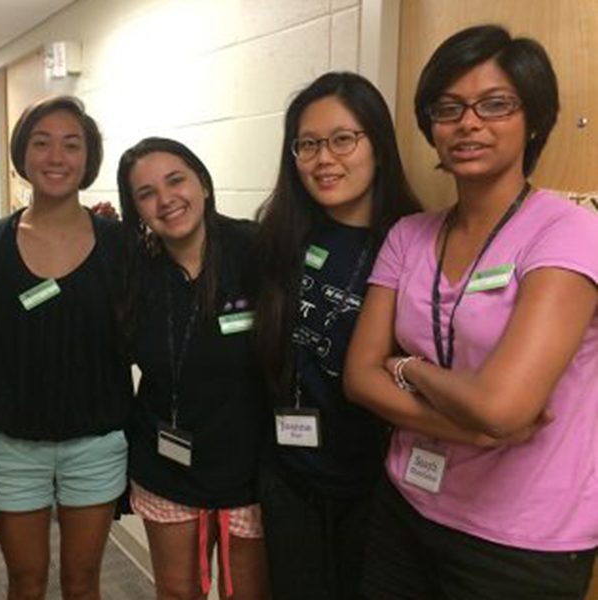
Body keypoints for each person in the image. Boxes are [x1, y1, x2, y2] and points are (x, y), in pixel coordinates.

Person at [343, 25, 598, 599]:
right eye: (448, 108)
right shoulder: (409, 235)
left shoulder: (570, 233)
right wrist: (474, 429)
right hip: (407, 506)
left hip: (523, 539)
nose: (468, 123)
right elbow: (360, 377)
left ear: (534, 119)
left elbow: (504, 409)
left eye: (495, 104)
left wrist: (410, 369)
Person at [251, 72, 419, 599]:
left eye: (343, 139)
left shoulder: (412, 242)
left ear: (378, 143)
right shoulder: (278, 235)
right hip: (288, 475)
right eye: (308, 144)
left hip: (376, 483)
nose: (325, 159)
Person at [0, 95, 131, 600]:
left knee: (83, 583)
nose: (56, 157)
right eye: (42, 143)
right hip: (13, 445)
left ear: (88, 158)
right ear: (23, 154)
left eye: (71, 144)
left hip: (95, 444)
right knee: (26, 581)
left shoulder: (122, 242)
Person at [117, 137, 270, 600]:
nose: (165, 200)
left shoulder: (256, 250)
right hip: (167, 467)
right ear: (136, 209)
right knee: (178, 593)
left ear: (202, 182)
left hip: (252, 472)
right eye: (146, 193)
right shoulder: (135, 271)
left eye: (176, 180)